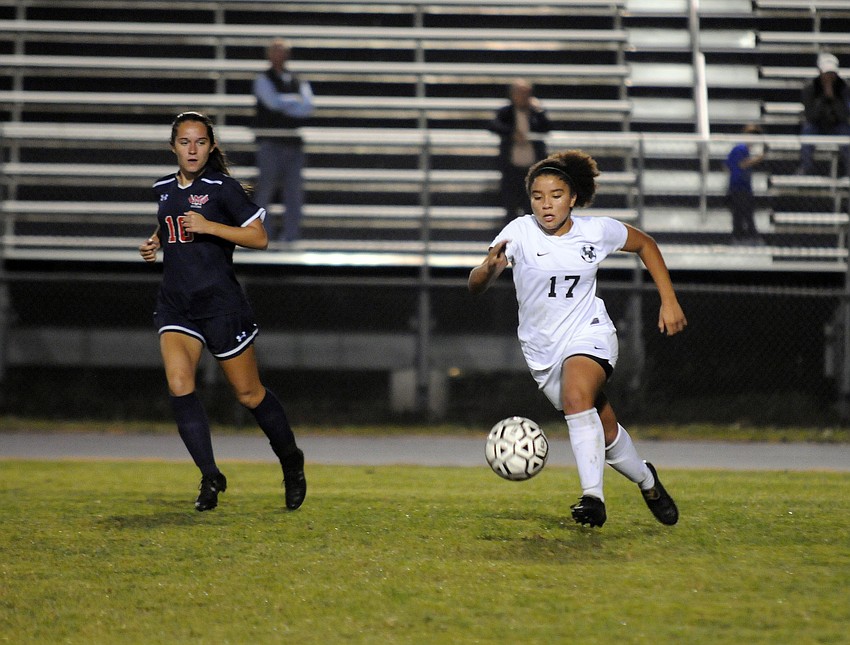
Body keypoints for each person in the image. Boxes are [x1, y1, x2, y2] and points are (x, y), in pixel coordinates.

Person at [468, 150, 686, 528]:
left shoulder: (596, 231)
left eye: (555, 195)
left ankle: (593, 497)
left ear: (572, 199)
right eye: (538, 196)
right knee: (606, 431)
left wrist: (669, 300)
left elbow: (645, 245)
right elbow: (475, 285)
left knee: (576, 397)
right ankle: (648, 481)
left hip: (590, 334)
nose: (546, 204)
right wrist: (487, 269)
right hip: (543, 353)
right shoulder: (518, 232)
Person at [138, 111, 306, 512]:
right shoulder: (163, 187)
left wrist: (212, 227)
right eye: (184, 142)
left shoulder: (223, 188)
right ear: (173, 146)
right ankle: (210, 476)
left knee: (249, 394)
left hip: (220, 306)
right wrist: (154, 243)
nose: (192, 149)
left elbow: (259, 237)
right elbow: (171, 224)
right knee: (180, 385)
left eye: (199, 142)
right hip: (176, 305)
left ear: (211, 146)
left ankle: (291, 460)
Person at [253, 38, 315, 242]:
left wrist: (285, 103)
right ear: (269, 54)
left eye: (283, 51)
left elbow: (307, 106)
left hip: (292, 144)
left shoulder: (297, 79)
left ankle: (290, 237)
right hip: (270, 143)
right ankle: (264, 235)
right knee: (265, 192)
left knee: (293, 194)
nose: (280, 55)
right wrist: (292, 102)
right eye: (276, 51)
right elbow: (272, 104)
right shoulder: (263, 79)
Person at [487, 79, 551, 226]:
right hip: (511, 169)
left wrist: (539, 111)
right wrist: (512, 133)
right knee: (511, 210)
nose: (524, 96)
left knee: (532, 210)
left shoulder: (535, 112)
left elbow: (547, 127)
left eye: (527, 93)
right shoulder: (506, 112)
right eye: (520, 93)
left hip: (532, 170)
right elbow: (493, 125)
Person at [797, 52, 850, 176]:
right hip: (816, 125)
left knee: (846, 133)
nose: (830, 77)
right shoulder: (810, 88)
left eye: (832, 73)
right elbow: (811, 115)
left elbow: (844, 115)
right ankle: (806, 168)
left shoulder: (844, 88)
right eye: (827, 73)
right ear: (820, 72)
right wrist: (822, 100)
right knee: (807, 131)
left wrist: (833, 98)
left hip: (837, 125)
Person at [725, 123, 766, 244]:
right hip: (739, 186)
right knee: (744, 212)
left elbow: (727, 164)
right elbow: (742, 164)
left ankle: (743, 236)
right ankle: (745, 237)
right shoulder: (740, 149)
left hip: (742, 185)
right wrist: (759, 158)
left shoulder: (743, 150)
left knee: (743, 212)